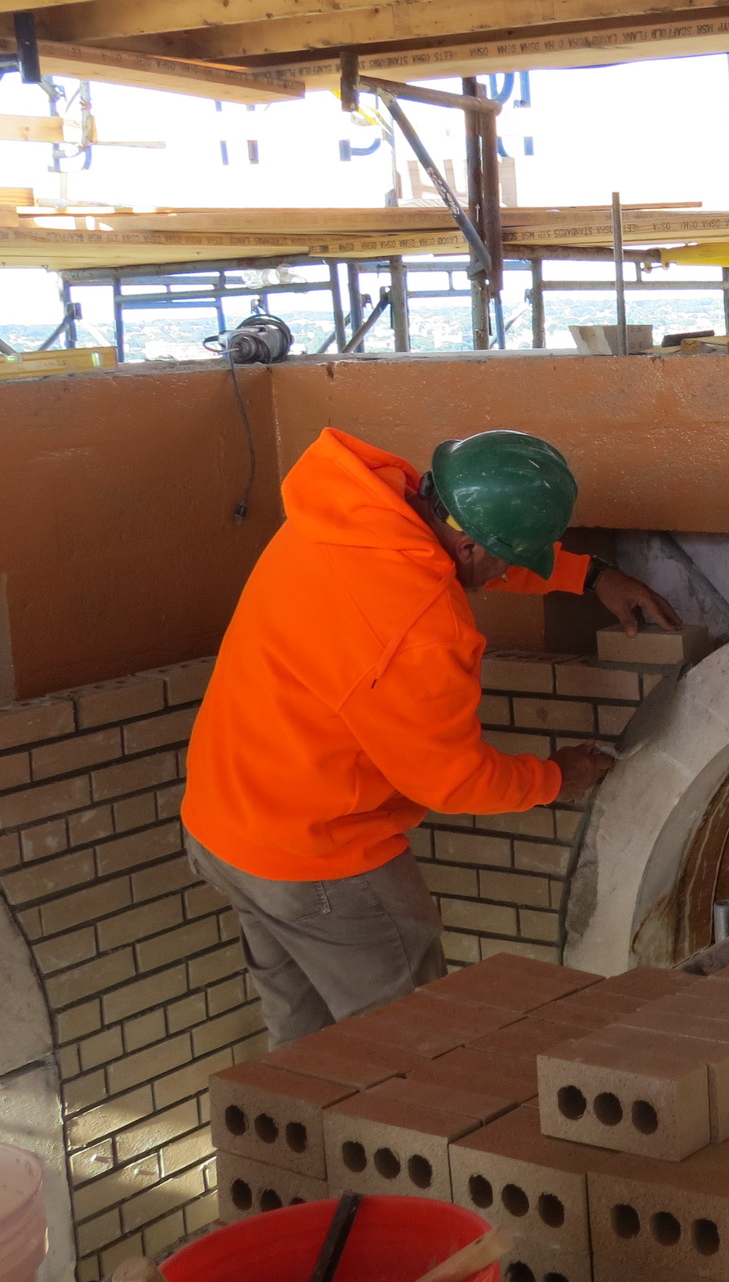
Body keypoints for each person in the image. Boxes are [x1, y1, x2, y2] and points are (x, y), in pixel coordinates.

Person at [182, 426, 680, 1045]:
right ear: (471, 545)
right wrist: (555, 778)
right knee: (412, 1056)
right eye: (511, 556)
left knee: (301, 1050)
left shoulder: (350, 513)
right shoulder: (422, 627)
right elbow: (451, 780)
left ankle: (287, 1139)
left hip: (225, 825)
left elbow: (444, 558)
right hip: (319, 860)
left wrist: (588, 575)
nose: (512, 570)